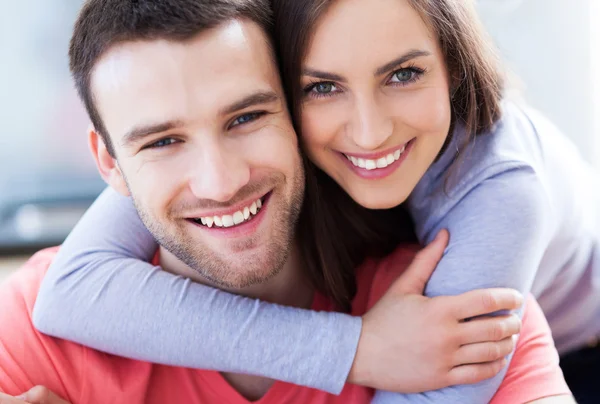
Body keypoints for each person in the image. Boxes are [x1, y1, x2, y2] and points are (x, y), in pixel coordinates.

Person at [0, 2, 572, 402]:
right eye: (163, 142)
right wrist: (356, 350)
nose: (219, 182)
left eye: (246, 117)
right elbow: (68, 293)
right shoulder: (38, 315)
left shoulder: (453, 296)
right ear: (110, 164)